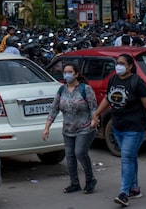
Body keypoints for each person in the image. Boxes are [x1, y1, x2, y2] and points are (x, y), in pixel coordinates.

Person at [91, 54, 146, 207]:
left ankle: (124, 193)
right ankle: (135, 189)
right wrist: (97, 114)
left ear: (130, 66)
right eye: (117, 63)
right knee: (130, 158)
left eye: (122, 63)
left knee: (126, 158)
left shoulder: (137, 82)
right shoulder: (113, 79)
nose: (119, 66)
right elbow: (108, 98)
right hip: (118, 126)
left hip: (135, 127)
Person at [43, 62, 98, 194]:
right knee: (70, 156)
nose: (67, 75)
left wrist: (94, 120)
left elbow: (93, 108)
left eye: (70, 72)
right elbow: (54, 109)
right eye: (65, 72)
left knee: (79, 152)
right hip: (68, 129)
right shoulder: (62, 90)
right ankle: (74, 183)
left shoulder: (86, 89)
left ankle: (90, 180)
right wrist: (47, 128)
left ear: (76, 74)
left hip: (85, 127)